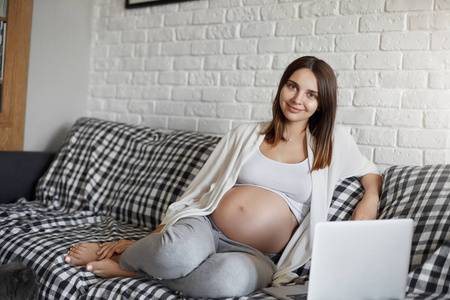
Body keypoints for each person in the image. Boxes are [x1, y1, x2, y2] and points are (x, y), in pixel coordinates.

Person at [65, 56, 382, 298]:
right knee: (172, 252)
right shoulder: (246, 134)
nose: (298, 99)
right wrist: (160, 235)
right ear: (282, 86)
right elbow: (200, 188)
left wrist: (371, 197)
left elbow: (370, 171)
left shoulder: (332, 142)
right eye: (292, 86)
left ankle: (133, 271)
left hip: (257, 255)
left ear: (321, 102)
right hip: (207, 225)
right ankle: (135, 253)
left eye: (311, 94)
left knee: (226, 281)